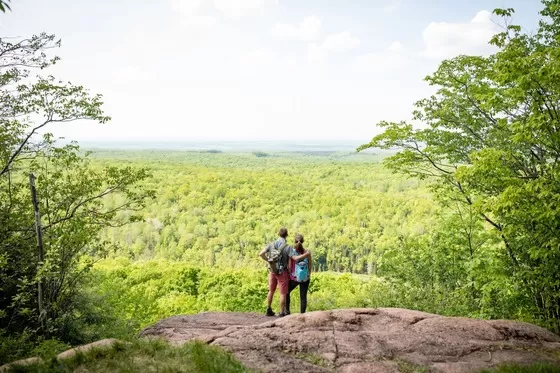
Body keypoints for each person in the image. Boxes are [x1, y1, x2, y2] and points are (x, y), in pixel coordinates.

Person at [259, 227, 309, 317]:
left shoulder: (271, 244)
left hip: (272, 270)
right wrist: (306, 255)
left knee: (271, 290)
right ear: (287, 235)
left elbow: (261, 254)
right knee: (283, 293)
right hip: (282, 272)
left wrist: (269, 260)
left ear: (278, 234)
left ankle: (268, 309)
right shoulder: (287, 247)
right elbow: (295, 258)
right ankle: (282, 312)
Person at [286, 233, 312, 315]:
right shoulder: (307, 251)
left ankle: (287, 311)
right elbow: (310, 264)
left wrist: (289, 274)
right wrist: (308, 274)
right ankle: (302, 314)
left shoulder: (291, 251)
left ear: (294, 241)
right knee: (303, 297)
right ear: (303, 241)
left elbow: (289, 266)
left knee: (286, 292)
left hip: (294, 277)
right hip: (305, 277)